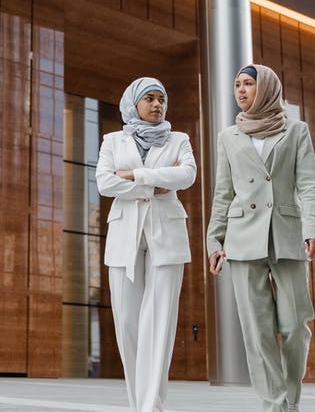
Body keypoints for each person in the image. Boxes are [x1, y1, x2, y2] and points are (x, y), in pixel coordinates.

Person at [206, 63, 315, 412]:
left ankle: (290, 397)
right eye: (237, 84)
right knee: (257, 332)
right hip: (242, 239)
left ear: (268, 88)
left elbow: (308, 184)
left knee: (295, 325)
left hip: (287, 236)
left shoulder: (295, 130)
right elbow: (223, 192)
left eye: (249, 84)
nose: (241, 90)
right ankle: (274, 404)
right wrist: (214, 241)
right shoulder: (228, 136)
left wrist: (314, 230)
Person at [96, 77, 197, 412]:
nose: (157, 105)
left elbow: (187, 176)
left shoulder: (180, 139)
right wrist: (155, 183)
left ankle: (149, 408)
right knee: (127, 323)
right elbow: (104, 183)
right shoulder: (112, 140)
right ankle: (141, 404)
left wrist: (135, 176)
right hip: (124, 236)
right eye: (149, 99)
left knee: (160, 322)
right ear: (134, 103)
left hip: (166, 236)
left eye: (161, 99)